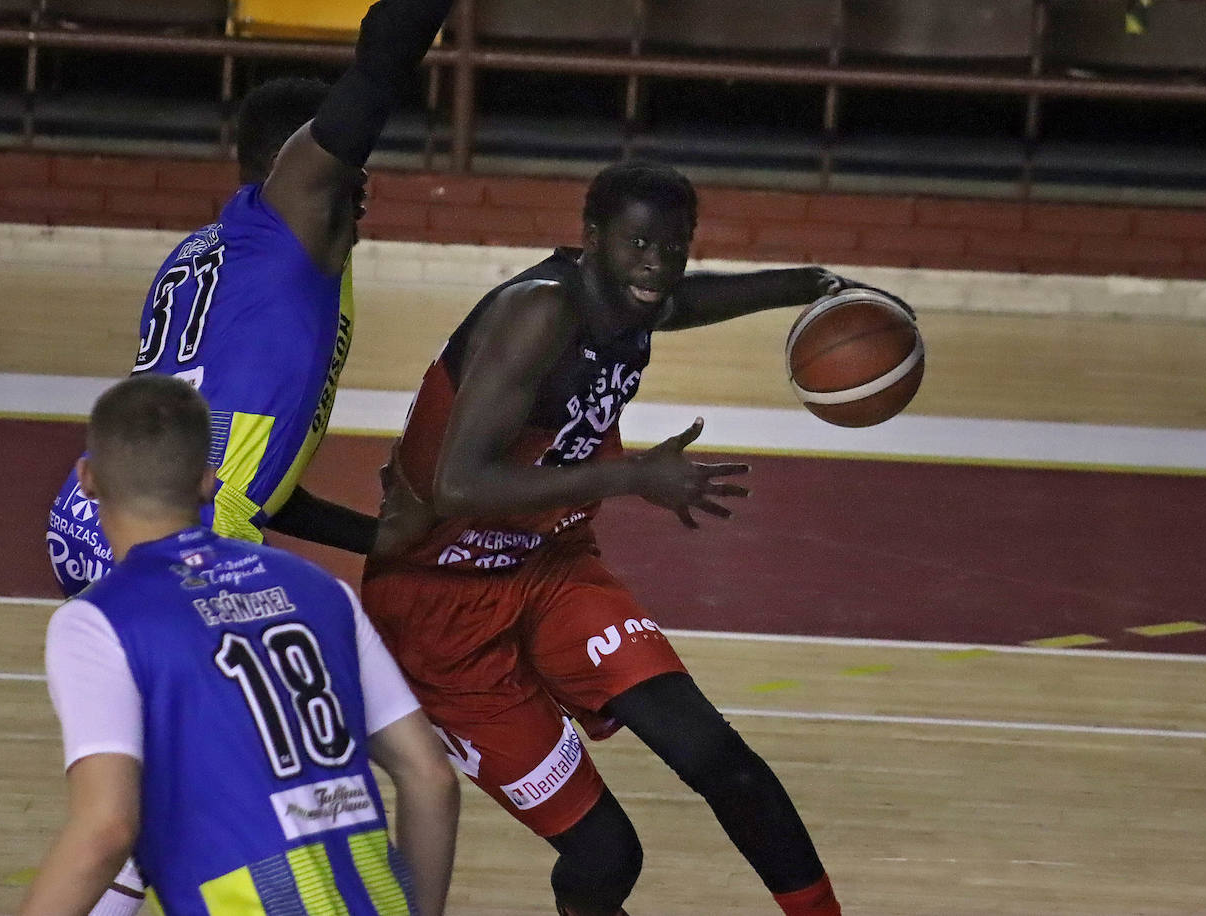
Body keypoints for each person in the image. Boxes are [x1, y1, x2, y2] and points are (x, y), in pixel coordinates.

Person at [364, 160, 911, 915]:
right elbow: (459, 485)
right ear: (590, 240)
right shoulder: (539, 312)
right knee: (607, 856)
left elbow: (681, 301)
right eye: (639, 244)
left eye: (674, 245)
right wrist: (630, 478)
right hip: (441, 613)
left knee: (720, 759)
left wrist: (816, 284)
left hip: (548, 569)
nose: (657, 263)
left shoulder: (631, 300)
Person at [47, 0, 456, 596]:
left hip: (94, 514)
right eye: (349, 173)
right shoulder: (284, 234)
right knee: (302, 669)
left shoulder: (205, 255)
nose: (361, 191)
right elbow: (378, 73)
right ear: (286, 167)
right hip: (181, 530)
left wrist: (377, 537)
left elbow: (244, 480)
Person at [21, 374, 459, 916]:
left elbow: (106, 829)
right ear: (208, 482)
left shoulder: (96, 622)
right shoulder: (323, 591)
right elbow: (431, 777)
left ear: (87, 478)